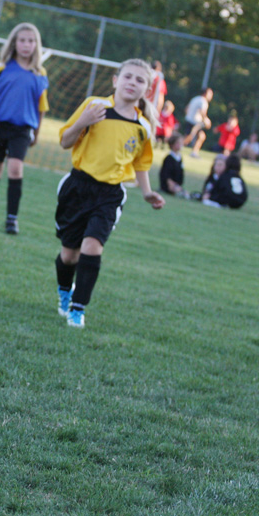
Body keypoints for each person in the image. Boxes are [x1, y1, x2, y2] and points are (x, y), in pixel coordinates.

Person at [54, 58, 164, 329]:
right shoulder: (95, 106)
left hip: (111, 193)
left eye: (140, 80)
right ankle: (65, 291)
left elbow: (140, 163)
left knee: (92, 246)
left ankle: (78, 309)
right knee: (70, 255)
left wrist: (147, 192)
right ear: (116, 81)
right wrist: (83, 121)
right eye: (128, 77)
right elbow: (65, 141)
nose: (132, 83)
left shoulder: (143, 127)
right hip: (78, 187)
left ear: (147, 91)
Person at [0, 22, 49, 234]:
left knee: (16, 168)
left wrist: (37, 132)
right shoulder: (2, 68)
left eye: (31, 41)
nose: (27, 45)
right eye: (22, 40)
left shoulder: (39, 73)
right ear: (14, 43)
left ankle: (11, 219)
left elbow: (41, 107)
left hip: (23, 129)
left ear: (36, 45)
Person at [183, 87, 213, 157]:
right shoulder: (203, 101)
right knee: (188, 138)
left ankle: (194, 152)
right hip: (194, 122)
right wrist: (207, 121)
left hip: (190, 120)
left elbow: (187, 108)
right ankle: (178, 146)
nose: (211, 96)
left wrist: (189, 116)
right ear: (205, 93)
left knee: (201, 136)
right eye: (210, 94)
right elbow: (202, 112)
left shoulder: (195, 98)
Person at [159, 133, 186, 198]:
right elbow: (165, 173)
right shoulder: (169, 158)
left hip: (177, 185)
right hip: (168, 185)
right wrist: (171, 184)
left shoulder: (180, 157)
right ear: (172, 144)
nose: (180, 145)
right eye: (178, 143)